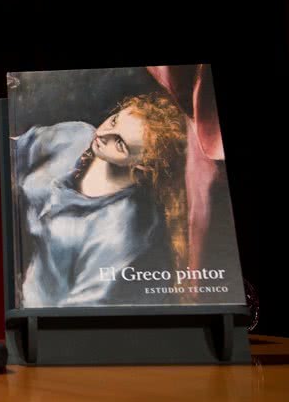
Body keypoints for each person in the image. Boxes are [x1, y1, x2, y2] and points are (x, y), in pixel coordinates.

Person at [15, 92, 188, 306]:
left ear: (142, 166)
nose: (104, 134)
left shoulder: (122, 231)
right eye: (114, 121)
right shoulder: (76, 135)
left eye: (120, 143)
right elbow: (13, 152)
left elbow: (80, 312)